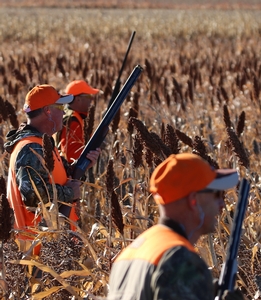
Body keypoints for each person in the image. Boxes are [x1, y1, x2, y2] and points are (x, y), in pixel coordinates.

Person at [107, 153, 245, 300]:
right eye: (217, 195)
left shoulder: (128, 255)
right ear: (194, 201)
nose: (222, 204)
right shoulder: (180, 260)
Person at [4, 84, 100, 252]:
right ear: (47, 110)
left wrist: (83, 167)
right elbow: (33, 197)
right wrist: (70, 193)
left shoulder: (42, 143)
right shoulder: (30, 148)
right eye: (61, 107)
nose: (64, 112)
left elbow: (58, 178)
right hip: (39, 251)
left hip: (51, 245)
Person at [56, 80, 100, 163]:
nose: (92, 99)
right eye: (89, 96)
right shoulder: (72, 122)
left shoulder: (76, 116)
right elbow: (71, 156)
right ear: (78, 99)